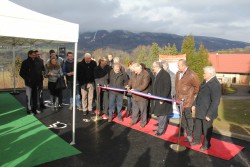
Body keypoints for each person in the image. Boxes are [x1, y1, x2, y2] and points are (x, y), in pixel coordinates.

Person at [190, 66, 221, 151]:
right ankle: (196, 140)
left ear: (210, 74)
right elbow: (199, 95)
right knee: (197, 127)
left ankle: (207, 144)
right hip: (200, 109)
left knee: (207, 129)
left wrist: (209, 114)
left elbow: (215, 101)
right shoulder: (205, 81)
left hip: (207, 112)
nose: (203, 74)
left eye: (205, 73)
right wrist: (194, 104)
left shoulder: (215, 84)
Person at [175, 59, 200, 142]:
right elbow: (177, 86)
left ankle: (189, 135)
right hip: (179, 100)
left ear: (183, 65)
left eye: (178, 65)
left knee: (188, 118)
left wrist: (190, 95)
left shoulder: (192, 74)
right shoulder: (178, 73)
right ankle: (182, 131)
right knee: (182, 117)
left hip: (188, 101)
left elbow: (197, 87)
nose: (177, 67)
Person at [150, 61, 172, 136]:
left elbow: (167, 88)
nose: (153, 68)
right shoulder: (157, 74)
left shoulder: (165, 74)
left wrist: (162, 99)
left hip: (162, 99)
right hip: (157, 97)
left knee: (162, 115)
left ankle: (161, 131)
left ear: (157, 67)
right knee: (159, 114)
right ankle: (159, 128)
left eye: (153, 67)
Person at [126, 63, 150, 128]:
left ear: (140, 68)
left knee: (143, 110)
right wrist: (129, 86)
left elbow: (144, 85)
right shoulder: (134, 73)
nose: (135, 72)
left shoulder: (146, 74)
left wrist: (135, 90)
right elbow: (131, 80)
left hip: (142, 96)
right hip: (134, 95)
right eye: (134, 71)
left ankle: (143, 123)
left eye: (136, 70)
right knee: (135, 109)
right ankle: (134, 120)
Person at [20, 50, 42, 114]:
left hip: (36, 83)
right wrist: (28, 79)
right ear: (29, 54)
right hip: (28, 84)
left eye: (35, 55)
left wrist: (39, 79)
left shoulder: (36, 61)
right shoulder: (25, 62)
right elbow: (21, 73)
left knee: (35, 97)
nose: (34, 56)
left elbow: (38, 72)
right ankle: (29, 110)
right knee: (29, 97)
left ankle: (34, 109)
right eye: (33, 55)